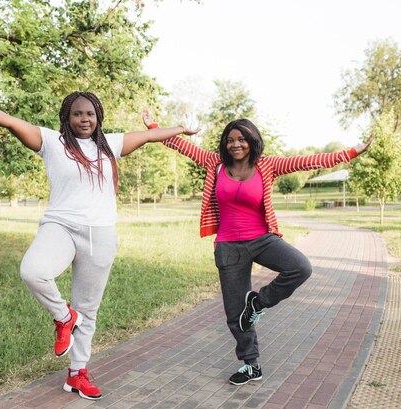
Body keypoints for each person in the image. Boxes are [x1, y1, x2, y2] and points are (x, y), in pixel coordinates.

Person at [0, 88, 197, 400]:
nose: (85, 119)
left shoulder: (111, 144)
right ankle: (64, 317)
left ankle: (77, 373)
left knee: (89, 308)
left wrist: (181, 129)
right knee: (33, 271)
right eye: (78, 114)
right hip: (61, 226)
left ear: (98, 118)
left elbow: (149, 137)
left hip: (101, 234)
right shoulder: (51, 141)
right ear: (67, 118)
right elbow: (7, 120)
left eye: (90, 114)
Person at [143, 113, 372, 386]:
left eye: (241, 139)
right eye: (230, 140)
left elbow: (308, 161)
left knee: (300, 267)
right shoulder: (214, 163)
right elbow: (181, 145)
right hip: (228, 245)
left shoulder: (267, 165)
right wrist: (154, 128)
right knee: (234, 315)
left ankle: (259, 302)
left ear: (252, 141)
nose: (235, 145)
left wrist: (351, 153)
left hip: (262, 239)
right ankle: (251, 365)